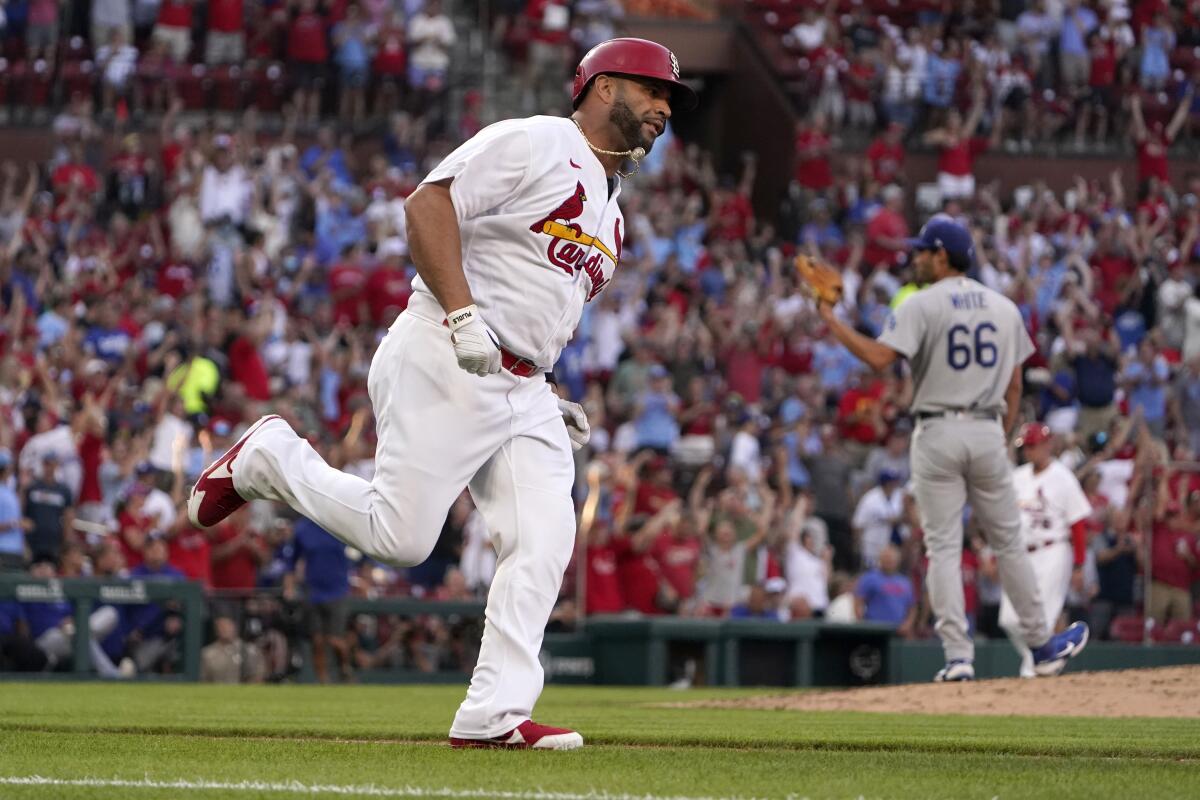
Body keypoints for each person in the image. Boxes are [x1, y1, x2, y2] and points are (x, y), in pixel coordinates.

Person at [187, 38, 696, 749]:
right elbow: (428, 205)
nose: (665, 107)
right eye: (653, 90)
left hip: (523, 391)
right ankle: (270, 456)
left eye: (670, 97)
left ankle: (495, 713)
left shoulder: (614, 211)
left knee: (545, 540)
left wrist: (545, 381)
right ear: (603, 87)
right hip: (448, 350)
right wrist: (462, 314)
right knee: (401, 539)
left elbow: (536, 295)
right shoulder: (539, 141)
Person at [810, 215, 1089, 681]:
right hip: (985, 428)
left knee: (942, 547)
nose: (915, 258)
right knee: (1009, 544)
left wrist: (828, 319)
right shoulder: (1004, 307)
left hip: (936, 430)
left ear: (942, 255)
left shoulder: (921, 303)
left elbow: (880, 360)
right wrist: (999, 437)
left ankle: (958, 658)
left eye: (922, 251)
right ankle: (1041, 646)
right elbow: (1015, 383)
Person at [1001, 424, 1092, 678]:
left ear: (1047, 444)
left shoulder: (1063, 477)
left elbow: (1078, 524)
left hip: (1053, 550)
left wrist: (1079, 565)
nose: (1029, 451)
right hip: (1020, 553)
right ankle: (1051, 656)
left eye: (1033, 445)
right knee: (1009, 619)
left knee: (1042, 619)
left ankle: (1032, 676)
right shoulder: (1017, 476)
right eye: (1025, 446)